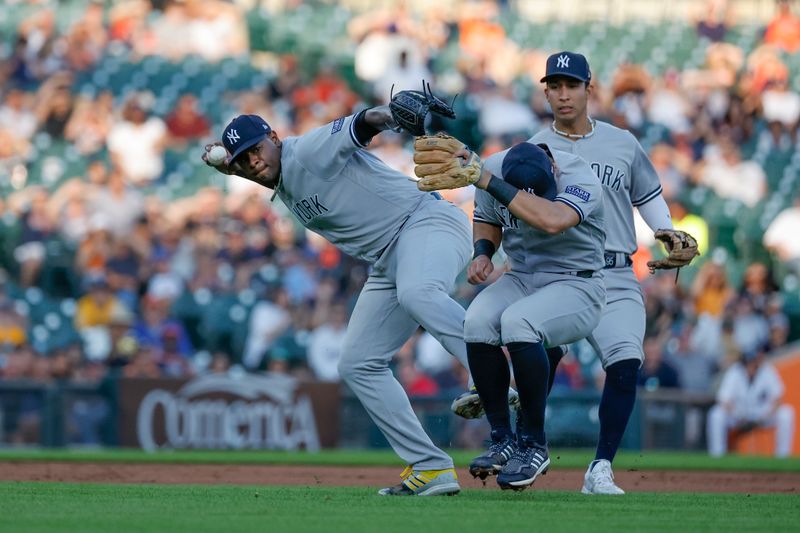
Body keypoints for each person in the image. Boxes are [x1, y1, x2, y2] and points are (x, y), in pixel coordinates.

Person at [202, 106, 472, 496]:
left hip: (426, 223)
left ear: (274, 138)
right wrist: (230, 165)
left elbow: (361, 125)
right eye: (243, 158)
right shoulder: (271, 173)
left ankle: (490, 369)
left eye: (256, 149)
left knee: (418, 293)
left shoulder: (307, 150)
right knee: (358, 363)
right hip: (388, 259)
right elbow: (248, 165)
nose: (253, 161)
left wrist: (389, 113)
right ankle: (431, 467)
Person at [530, 51, 695, 494]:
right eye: (555, 86)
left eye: (572, 85)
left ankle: (600, 467)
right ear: (546, 90)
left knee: (625, 365)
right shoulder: (534, 147)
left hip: (617, 272)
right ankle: (528, 445)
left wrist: (666, 231)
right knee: (541, 354)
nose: (563, 94)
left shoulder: (622, 143)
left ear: (589, 89)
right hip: (560, 274)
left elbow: (648, 194)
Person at [460, 140, 606, 491]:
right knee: (476, 321)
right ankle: (502, 439)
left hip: (577, 280)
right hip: (522, 275)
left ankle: (533, 444)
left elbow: (552, 219)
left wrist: (489, 181)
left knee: (517, 323)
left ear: (553, 170)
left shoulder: (579, 175)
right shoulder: (492, 168)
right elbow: (486, 219)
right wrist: (483, 253)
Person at [707, 346, 794, 458]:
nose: (751, 365)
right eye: (748, 362)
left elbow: (778, 399)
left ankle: (783, 457)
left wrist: (765, 417)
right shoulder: (735, 371)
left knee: (786, 413)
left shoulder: (767, 370)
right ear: (744, 363)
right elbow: (724, 400)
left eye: (753, 362)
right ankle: (717, 456)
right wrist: (737, 415)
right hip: (738, 414)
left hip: (762, 414)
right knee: (716, 414)